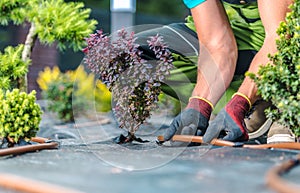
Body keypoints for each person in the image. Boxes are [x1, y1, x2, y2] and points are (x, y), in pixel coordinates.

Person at [136, 0, 296, 144]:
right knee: (127, 54)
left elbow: (279, 37)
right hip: (245, 36)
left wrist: (240, 103)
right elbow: (217, 44)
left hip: (286, 29)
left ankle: (287, 103)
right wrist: (199, 105)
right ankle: (257, 101)